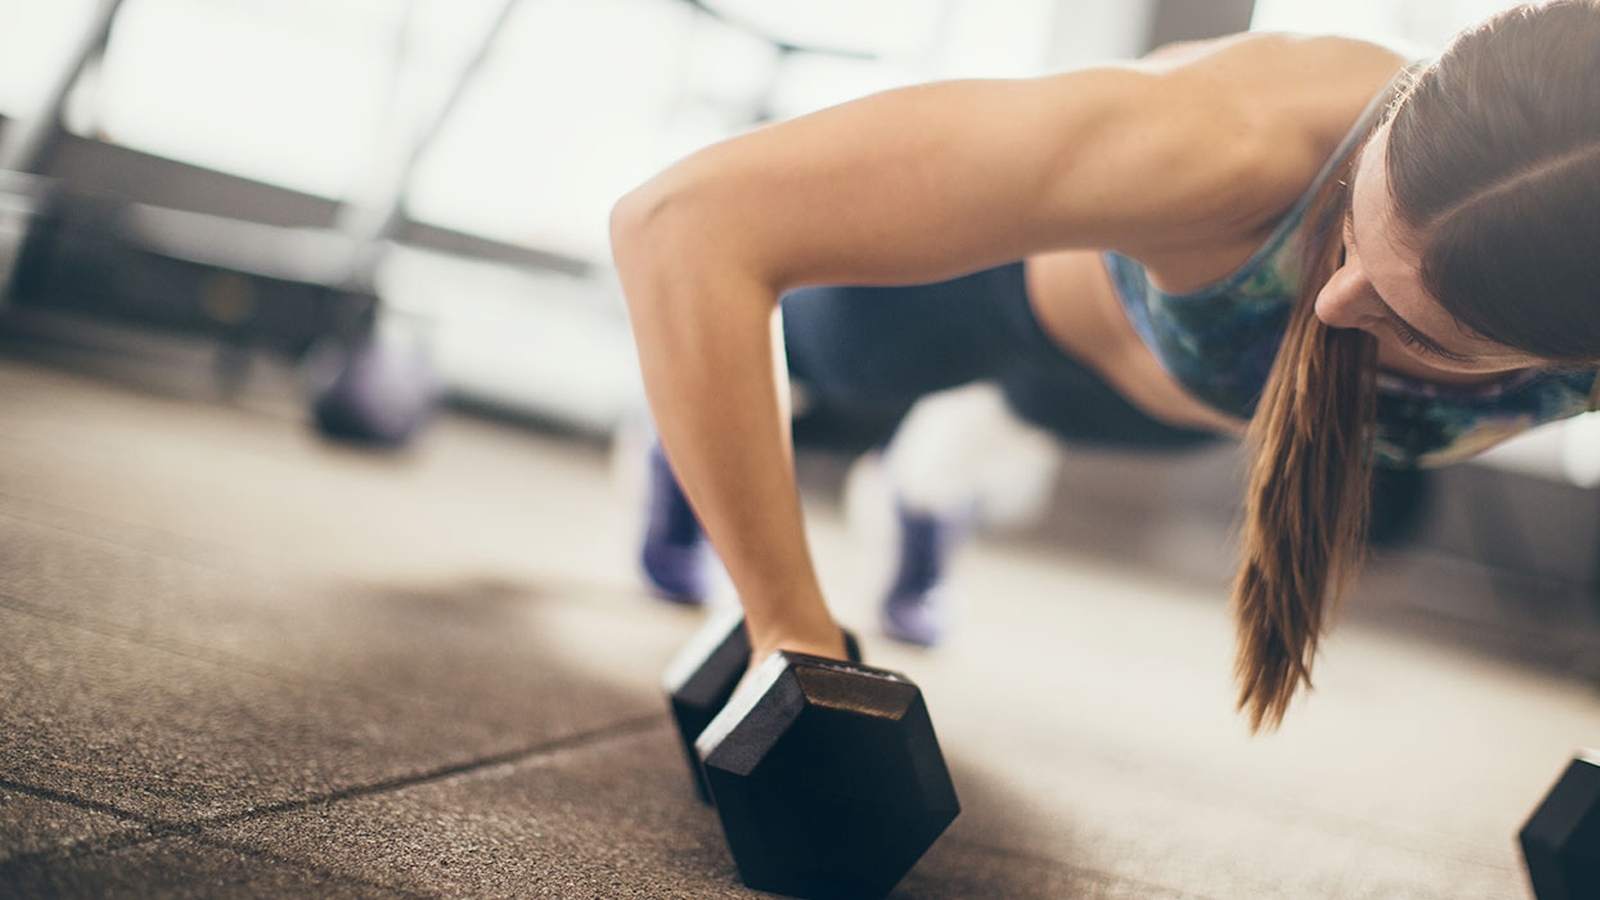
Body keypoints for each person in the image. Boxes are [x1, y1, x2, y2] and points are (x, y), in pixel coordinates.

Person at [610, 0, 1600, 731]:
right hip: (997, 308)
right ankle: (706, 430)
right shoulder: (1223, 137)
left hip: (1150, 415)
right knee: (829, 369)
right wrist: (792, 633)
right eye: (1347, 235)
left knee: (996, 442)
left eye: (1417, 331)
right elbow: (683, 224)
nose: (1336, 306)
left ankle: (933, 478)